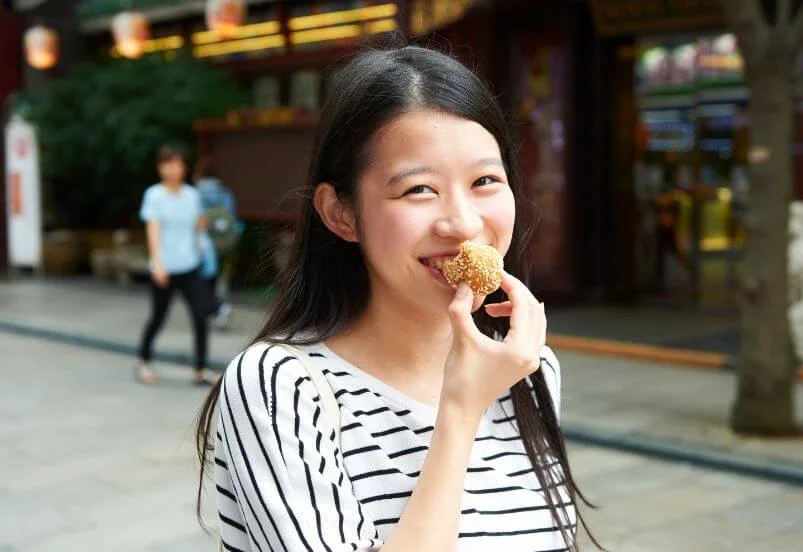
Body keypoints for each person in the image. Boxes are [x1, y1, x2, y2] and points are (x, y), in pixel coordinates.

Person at [195, 46, 599, 551]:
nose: (464, 224)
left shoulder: (529, 369)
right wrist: (461, 410)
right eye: (419, 190)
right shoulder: (282, 386)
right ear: (341, 214)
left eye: (485, 181)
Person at [136, 145, 215, 386]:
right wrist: (157, 263)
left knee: (201, 313)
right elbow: (153, 230)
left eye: (177, 163)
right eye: (167, 164)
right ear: (159, 168)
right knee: (159, 316)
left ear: (184, 167)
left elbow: (197, 225)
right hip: (165, 268)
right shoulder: (154, 195)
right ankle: (144, 360)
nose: (172, 169)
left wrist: (202, 225)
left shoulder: (192, 195)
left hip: (189, 265)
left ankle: (201, 368)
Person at [194, 159, 240, 329]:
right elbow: (233, 219)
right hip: (225, 243)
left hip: (203, 244)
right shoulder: (225, 193)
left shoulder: (195, 193)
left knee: (200, 280)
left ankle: (217, 309)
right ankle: (217, 308)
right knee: (217, 278)